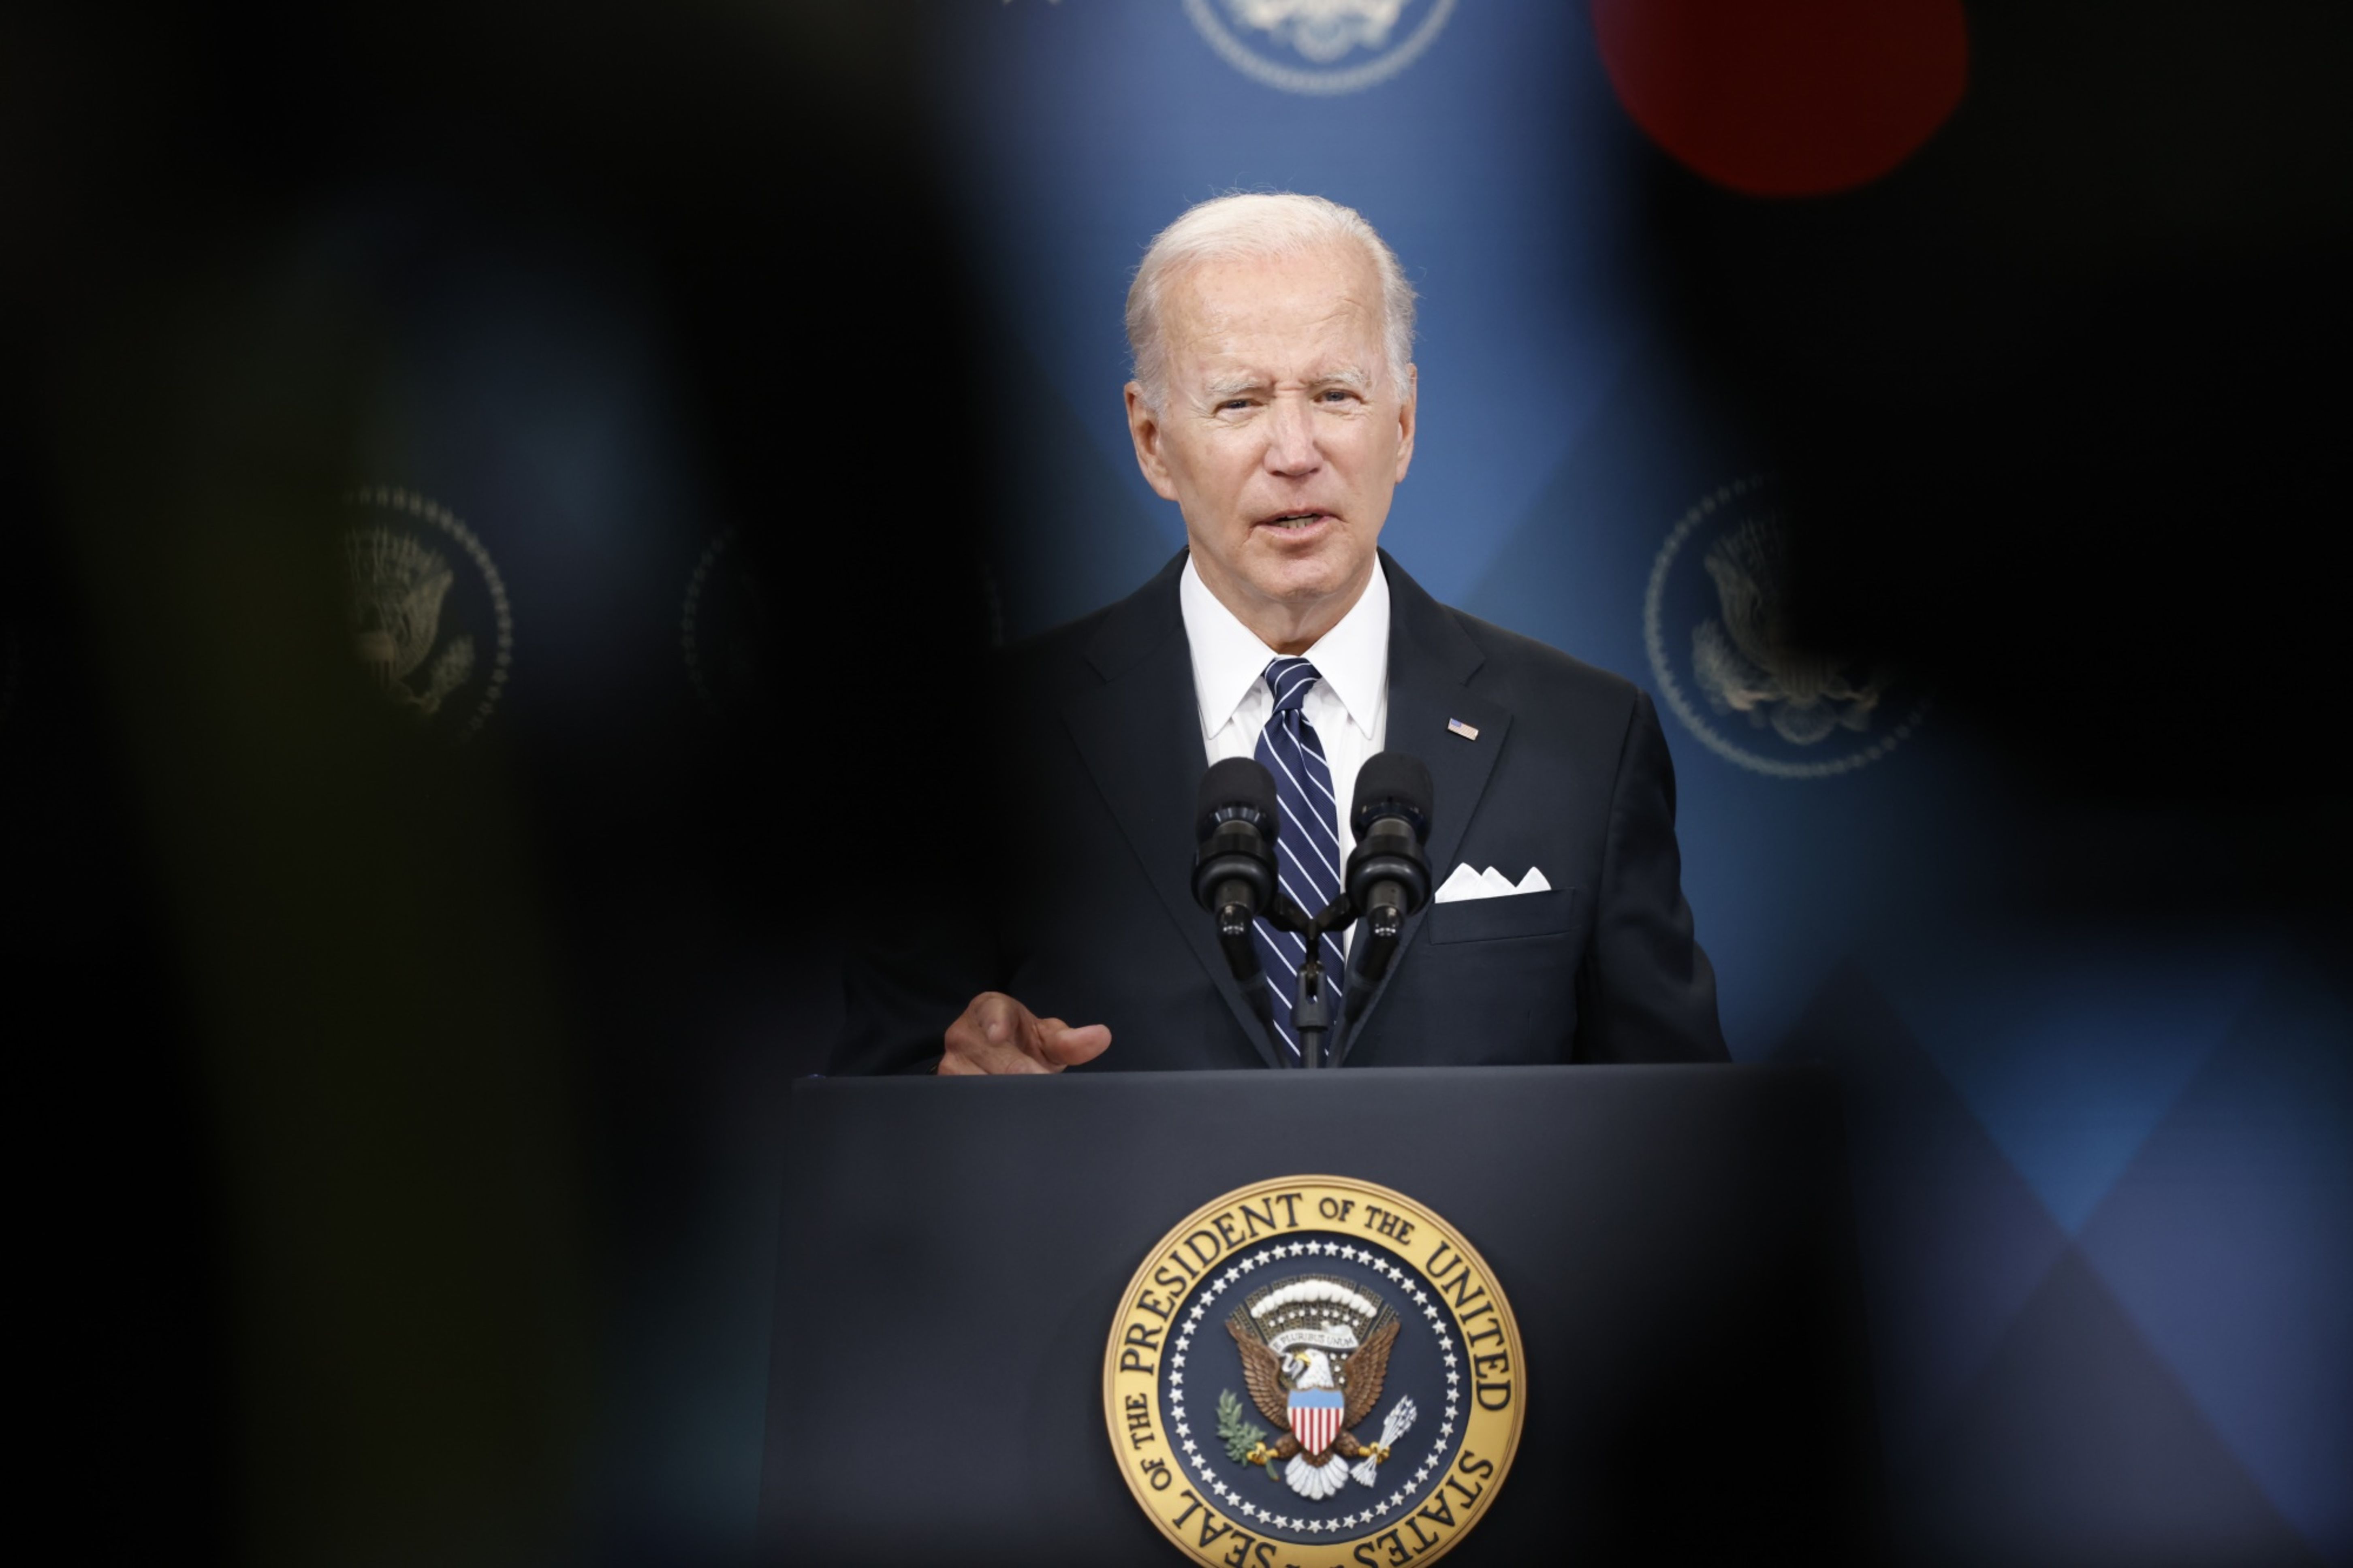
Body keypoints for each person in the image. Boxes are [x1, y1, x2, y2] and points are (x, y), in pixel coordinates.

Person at [834, 193, 1725, 1075]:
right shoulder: (979, 751)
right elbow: (872, 1135)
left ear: (1404, 423)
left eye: (1336, 395)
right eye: (1240, 404)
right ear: (1152, 440)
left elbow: (1687, 1143)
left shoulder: (1585, 740)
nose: (1296, 450)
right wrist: (951, 1097)